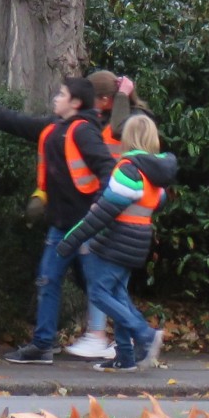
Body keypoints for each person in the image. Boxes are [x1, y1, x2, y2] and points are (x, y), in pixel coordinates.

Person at [0, 77, 117, 364]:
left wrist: (100, 207)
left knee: (97, 285)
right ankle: (43, 344)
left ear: (75, 103)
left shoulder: (83, 131)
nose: (55, 98)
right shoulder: (54, 128)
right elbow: (15, 121)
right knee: (49, 279)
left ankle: (135, 337)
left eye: (61, 94)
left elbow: (107, 168)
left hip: (85, 224)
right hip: (62, 224)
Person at [55, 113, 176, 370]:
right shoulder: (154, 174)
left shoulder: (128, 170)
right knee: (118, 295)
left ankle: (144, 334)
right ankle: (125, 358)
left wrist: (70, 240)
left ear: (128, 138)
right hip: (139, 240)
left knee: (99, 292)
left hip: (116, 239)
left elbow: (102, 212)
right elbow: (159, 202)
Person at [65, 69, 139, 360]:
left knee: (102, 277)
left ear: (106, 100)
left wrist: (121, 98)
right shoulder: (106, 119)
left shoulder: (127, 120)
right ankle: (124, 336)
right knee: (108, 279)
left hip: (116, 207)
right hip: (111, 204)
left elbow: (120, 132)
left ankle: (111, 334)